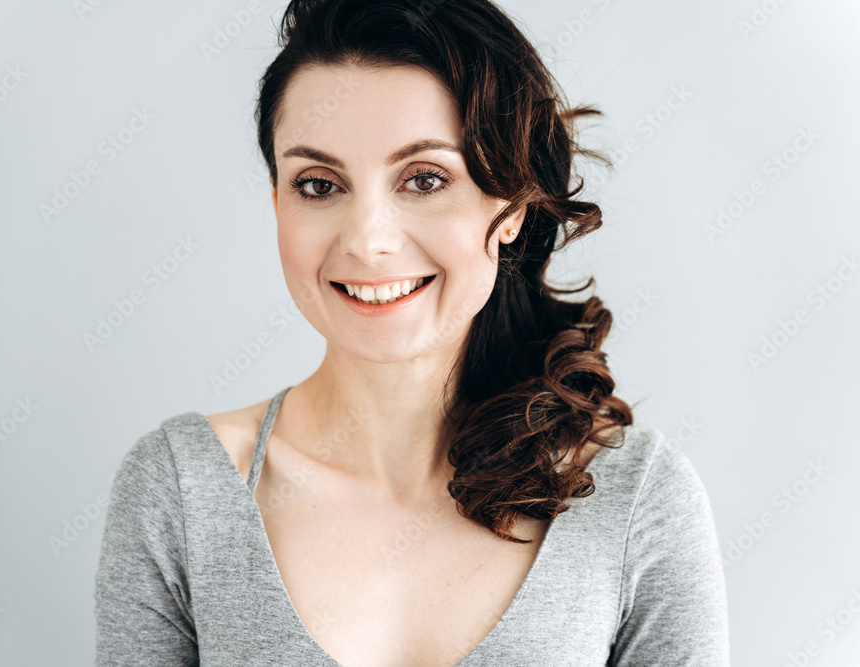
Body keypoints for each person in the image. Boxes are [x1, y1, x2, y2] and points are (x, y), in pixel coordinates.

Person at [94, 1, 730, 664]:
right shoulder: (183, 489)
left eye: (424, 179)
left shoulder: (636, 499)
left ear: (510, 203)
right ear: (277, 200)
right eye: (319, 184)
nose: (368, 240)